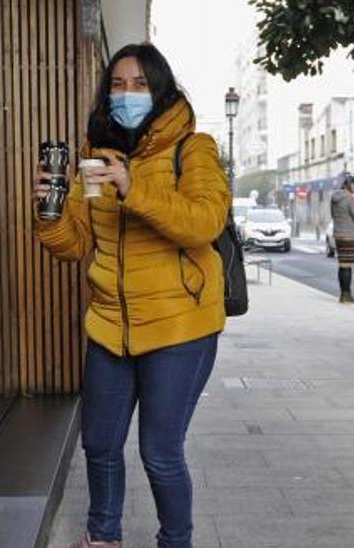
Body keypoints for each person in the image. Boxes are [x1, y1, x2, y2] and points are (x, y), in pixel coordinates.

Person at [33, 43, 230, 548]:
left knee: (160, 451)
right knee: (98, 443)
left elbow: (204, 224)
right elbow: (75, 246)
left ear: (161, 91)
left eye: (140, 85)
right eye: (118, 85)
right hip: (109, 325)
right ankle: (103, 537)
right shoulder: (97, 157)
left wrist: (134, 185)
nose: (127, 95)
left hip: (179, 326)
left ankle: (175, 542)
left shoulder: (195, 148)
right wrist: (49, 212)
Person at [330, 175, 354, 303]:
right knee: (348, 265)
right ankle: (346, 295)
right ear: (351, 185)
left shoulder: (334, 198)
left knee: (342, 265)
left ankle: (343, 294)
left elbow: (333, 215)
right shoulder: (350, 199)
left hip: (338, 234)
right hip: (349, 235)